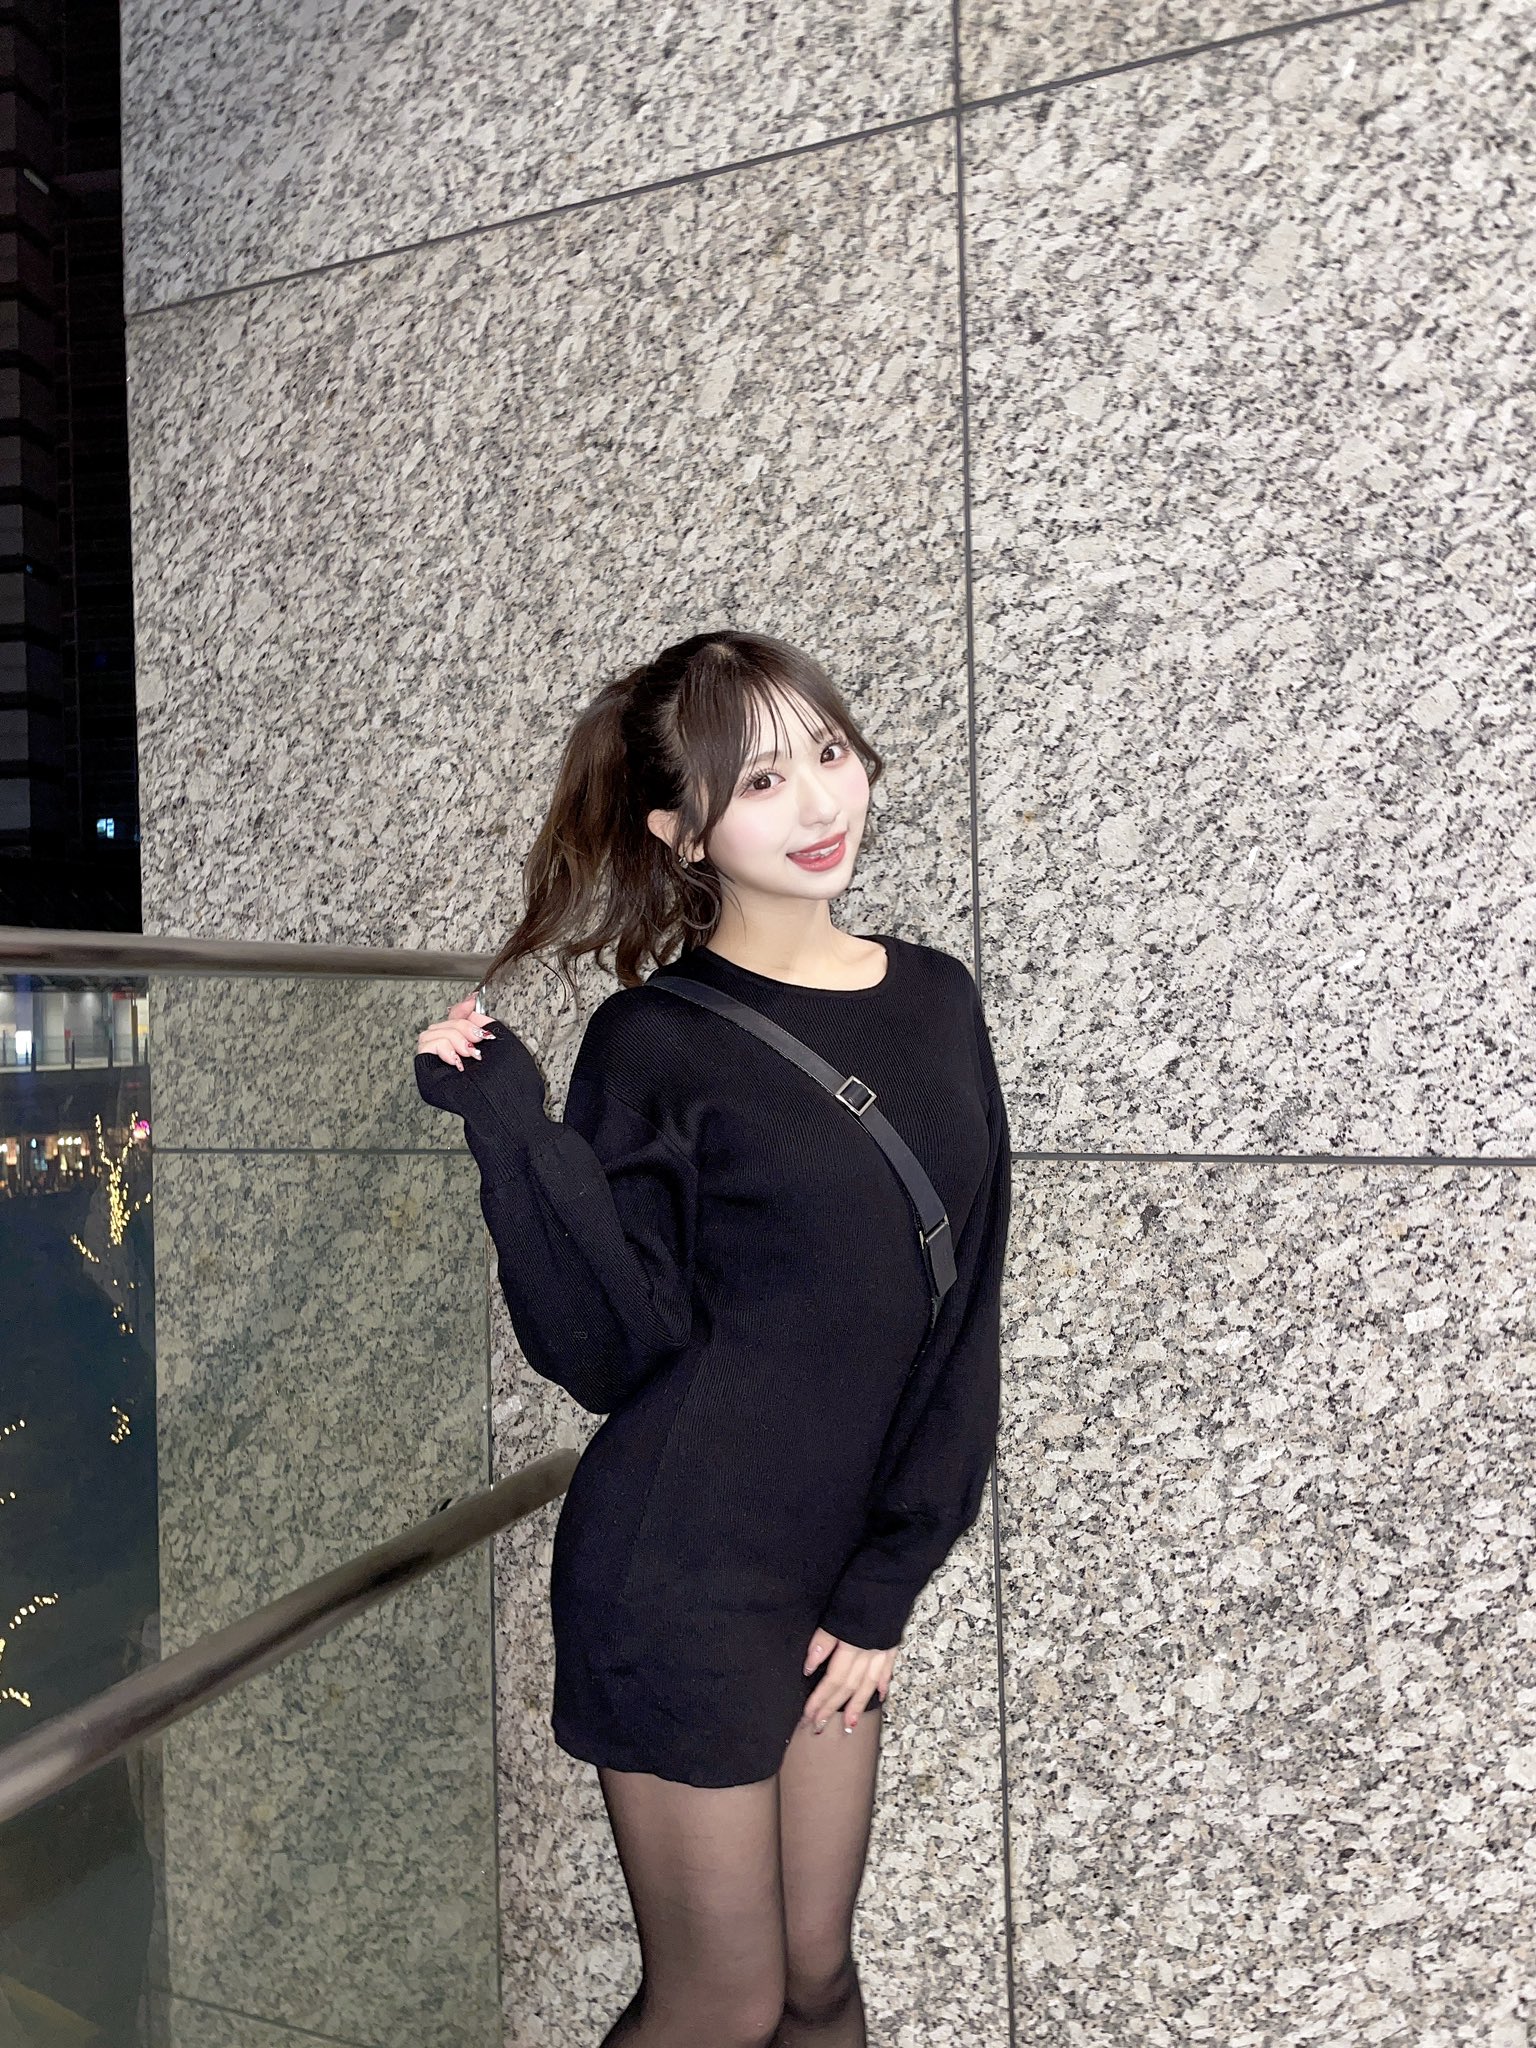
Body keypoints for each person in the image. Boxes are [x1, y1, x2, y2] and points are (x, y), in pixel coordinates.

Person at [414, 629, 1011, 2047]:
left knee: (817, 1979)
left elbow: (964, 1306)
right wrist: (515, 1135)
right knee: (722, 2003)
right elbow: (614, 1349)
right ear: (680, 832)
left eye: (828, 753)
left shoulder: (936, 997)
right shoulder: (655, 1040)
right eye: (759, 782)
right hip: (679, 1571)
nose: (819, 803)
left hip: (835, 1567)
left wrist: (888, 1577)